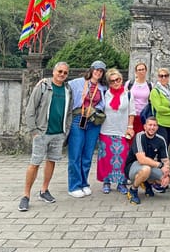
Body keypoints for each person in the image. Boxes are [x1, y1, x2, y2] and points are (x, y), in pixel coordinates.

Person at [18, 62, 73, 212]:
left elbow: (69, 113)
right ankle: (26, 195)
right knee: (35, 162)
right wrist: (34, 131)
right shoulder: (43, 86)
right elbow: (30, 109)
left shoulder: (68, 89)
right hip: (42, 132)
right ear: (54, 71)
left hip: (58, 133)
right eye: (59, 71)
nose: (62, 74)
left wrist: (65, 130)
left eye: (65, 73)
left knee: (51, 161)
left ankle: (44, 190)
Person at [67, 60, 107, 198]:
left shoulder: (102, 88)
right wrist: (44, 81)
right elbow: (60, 83)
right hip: (78, 118)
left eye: (101, 71)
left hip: (93, 121)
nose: (98, 72)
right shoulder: (77, 82)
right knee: (75, 153)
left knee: (88, 154)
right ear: (91, 70)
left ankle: (84, 183)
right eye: (96, 69)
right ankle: (74, 185)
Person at [97, 68, 135, 195]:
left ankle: (121, 182)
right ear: (108, 82)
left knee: (122, 157)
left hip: (122, 130)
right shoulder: (105, 94)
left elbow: (132, 113)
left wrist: (130, 127)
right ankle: (106, 181)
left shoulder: (128, 94)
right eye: (112, 81)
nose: (115, 82)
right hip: (106, 129)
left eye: (117, 80)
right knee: (106, 157)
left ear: (121, 79)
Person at [124, 115, 170, 205]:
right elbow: (141, 159)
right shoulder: (139, 136)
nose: (152, 127)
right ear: (145, 127)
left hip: (150, 166)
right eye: (150, 125)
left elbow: (165, 161)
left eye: (154, 125)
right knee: (146, 169)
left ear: (157, 127)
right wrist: (160, 165)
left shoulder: (160, 140)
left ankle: (147, 184)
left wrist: (166, 174)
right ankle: (133, 190)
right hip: (132, 167)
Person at [150, 67, 170, 147]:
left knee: (166, 146)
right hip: (160, 123)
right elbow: (159, 108)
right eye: (161, 76)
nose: (163, 78)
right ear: (158, 77)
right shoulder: (155, 91)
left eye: (166, 75)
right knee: (161, 147)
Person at [126, 62, 152, 144]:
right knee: (130, 139)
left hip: (144, 116)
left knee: (142, 140)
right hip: (131, 116)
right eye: (139, 70)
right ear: (136, 72)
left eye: (143, 69)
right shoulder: (129, 84)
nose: (141, 72)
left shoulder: (150, 85)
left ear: (146, 71)